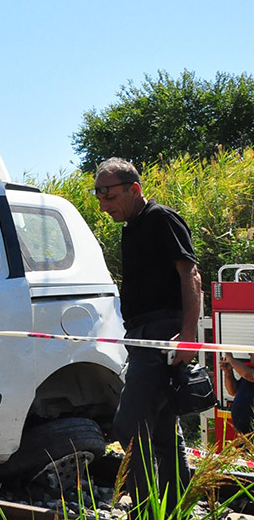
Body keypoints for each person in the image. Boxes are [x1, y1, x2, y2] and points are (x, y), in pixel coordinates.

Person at [94, 157, 202, 509]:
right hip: (141, 334)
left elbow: (191, 276)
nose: (103, 204)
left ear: (134, 189)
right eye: (98, 195)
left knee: (128, 424)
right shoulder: (133, 228)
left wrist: (188, 334)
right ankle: (176, 507)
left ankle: (144, 505)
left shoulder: (161, 219)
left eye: (108, 195)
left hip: (161, 333)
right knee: (162, 425)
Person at [219, 352, 254, 435]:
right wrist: (228, 372)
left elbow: (248, 375)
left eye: (252, 352)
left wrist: (231, 359)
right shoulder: (249, 370)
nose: (249, 354)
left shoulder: (249, 373)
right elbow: (233, 391)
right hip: (244, 430)